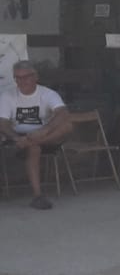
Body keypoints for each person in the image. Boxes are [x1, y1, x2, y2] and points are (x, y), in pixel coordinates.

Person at [0, 60, 70, 209]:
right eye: (18, 78)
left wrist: (44, 131)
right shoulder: (8, 95)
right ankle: (38, 196)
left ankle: (32, 141)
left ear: (35, 76)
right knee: (34, 148)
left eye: (26, 76)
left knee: (67, 124)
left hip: (44, 134)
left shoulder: (47, 93)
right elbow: (3, 122)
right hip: (19, 137)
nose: (22, 81)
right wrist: (16, 137)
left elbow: (62, 112)